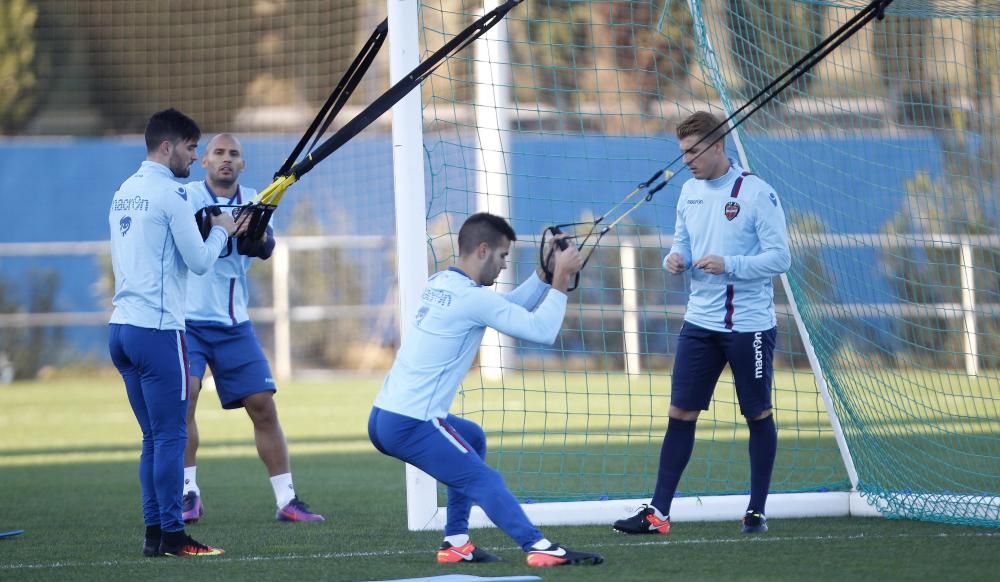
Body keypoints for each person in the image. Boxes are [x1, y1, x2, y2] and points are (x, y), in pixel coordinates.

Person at [368, 213, 603, 568]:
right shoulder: (474, 299)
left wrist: (543, 276)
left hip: (384, 415)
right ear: (482, 250)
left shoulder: (443, 282)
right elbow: (541, 331)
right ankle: (537, 546)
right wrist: (561, 279)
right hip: (411, 423)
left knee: (472, 439)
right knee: (484, 478)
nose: (504, 265)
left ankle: (457, 542)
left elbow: (503, 309)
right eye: (503, 257)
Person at [613, 111, 790, 536]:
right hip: (699, 323)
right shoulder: (689, 192)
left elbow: (781, 257)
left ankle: (756, 512)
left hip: (749, 327)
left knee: (757, 414)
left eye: (693, 151)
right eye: (682, 152)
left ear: (717, 146)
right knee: (680, 412)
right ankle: (658, 513)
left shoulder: (756, 193)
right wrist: (673, 259)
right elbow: (682, 244)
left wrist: (732, 265)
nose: (686, 160)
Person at [108, 108, 237, 557]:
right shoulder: (173, 195)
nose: (194, 156)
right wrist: (222, 230)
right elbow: (201, 261)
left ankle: (155, 536)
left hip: (121, 330)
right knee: (169, 438)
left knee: (153, 439)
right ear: (168, 147)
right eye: (190, 147)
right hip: (158, 331)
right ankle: (175, 537)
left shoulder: (124, 191)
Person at [181, 133, 324, 523]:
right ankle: (187, 493)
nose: (226, 159)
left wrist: (254, 230)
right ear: (204, 161)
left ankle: (287, 501)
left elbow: (262, 248)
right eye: (218, 153)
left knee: (263, 406)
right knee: (185, 397)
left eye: (234, 154)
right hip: (187, 323)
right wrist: (218, 224)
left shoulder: (256, 199)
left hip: (232, 324)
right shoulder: (188, 197)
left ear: (242, 164)